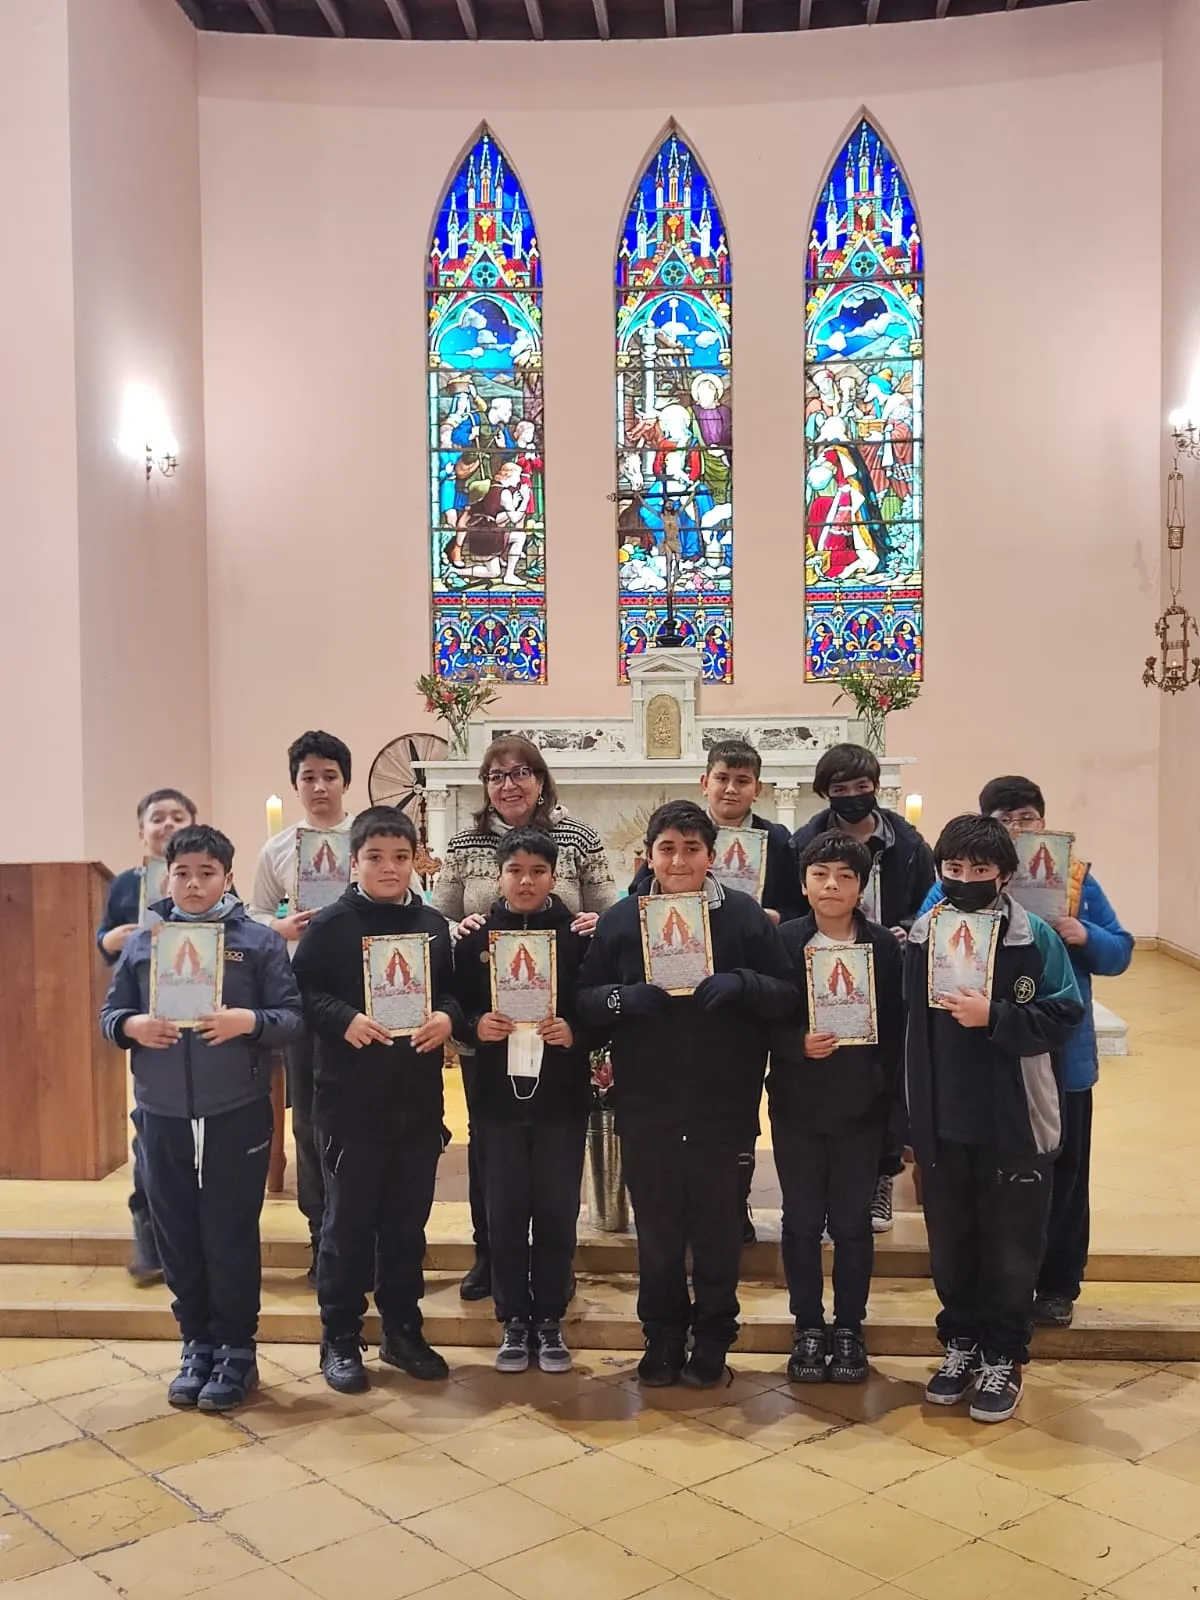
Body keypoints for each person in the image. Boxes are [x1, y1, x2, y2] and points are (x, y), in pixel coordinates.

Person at [576, 800, 796, 1389]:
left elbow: (786, 993)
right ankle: (664, 1335)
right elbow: (585, 1004)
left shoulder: (745, 917)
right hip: (648, 1104)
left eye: (692, 848)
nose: (678, 860)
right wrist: (625, 999)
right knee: (659, 1232)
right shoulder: (622, 920)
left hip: (723, 1103)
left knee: (719, 1229)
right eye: (667, 848)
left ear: (712, 855)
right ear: (647, 855)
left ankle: (715, 1337)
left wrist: (742, 983)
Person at [916, 776, 1133, 1329]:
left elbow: (1120, 953)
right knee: (997, 1187)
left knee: (1062, 1180)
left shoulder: (1076, 880)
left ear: (1042, 821)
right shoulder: (957, 881)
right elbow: (920, 938)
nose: (1017, 827)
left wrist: (1083, 935)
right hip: (979, 1066)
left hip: (1062, 1058)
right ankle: (987, 1293)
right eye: (1005, 818)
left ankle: (1057, 1283)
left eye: (1026, 817)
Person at [99, 826, 304, 1411]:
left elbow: (290, 1018)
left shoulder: (258, 941)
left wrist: (248, 1022)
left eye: (207, 874)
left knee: (229, 1233)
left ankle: (237, 1350)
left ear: (229, 879)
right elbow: (112, 1013)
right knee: (178, 1234)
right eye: (183, 873)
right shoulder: (145, 942)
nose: (193, 884)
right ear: (167, 876)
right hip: (161, 1111)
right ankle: (196, 1344)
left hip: (234, 1110)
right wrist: (133, 1027)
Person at [905, 815, 1084, 1423]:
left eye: (980, 871)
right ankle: (959, 1345)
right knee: (951, 1243)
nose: (966, 880)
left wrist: (998, 1017)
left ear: (1005, 875)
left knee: (1011, 1247)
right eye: (953, 870)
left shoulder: (1036, 939)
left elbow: (1065, 1016)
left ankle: (1003, 1357)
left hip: (1014, 1121)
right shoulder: (922, 934)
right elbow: (907, 1029)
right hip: (944, 1120)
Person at [432, 736, 618, 1303]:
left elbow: (609, 915)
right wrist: (459, 933)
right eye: (496, 775)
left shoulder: (577, 837)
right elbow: (437, 922)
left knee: (555, 1151)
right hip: (489, 1024)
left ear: (541, 780)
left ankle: (554, 1266)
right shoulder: (464, 844)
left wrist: (590, 925)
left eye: (521, 773)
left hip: (555, 1029)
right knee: (491, 1148)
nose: (509, 784)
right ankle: (491, 1255)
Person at [292, 806, 461, 1393]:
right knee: (347, 1228)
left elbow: (457, 992)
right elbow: (303, 992)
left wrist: (446, 1017)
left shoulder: (434, 925)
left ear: (416, 860)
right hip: (350, 1104)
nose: (389, 868)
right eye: (374, 857)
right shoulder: (331, 925)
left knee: (406, 1228)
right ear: (354, 860)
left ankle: (402, 1330)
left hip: (415, 1103)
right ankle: (339, 1336)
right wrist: (343, 1018)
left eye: (400, 856)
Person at [628, 737, 800, 1245]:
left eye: (742, 780)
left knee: (733, 1120)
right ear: (705, 782)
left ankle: (735, 1203)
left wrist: (772, 922)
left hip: (735, 1009)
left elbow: (796, 908)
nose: (730, 788)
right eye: (722, 777)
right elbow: (638, 902)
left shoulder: (779, 842)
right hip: (663, 1028)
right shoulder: (671, 840)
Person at [452, 828, 592, 1375]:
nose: (526, 880)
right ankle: (513, 1318)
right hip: (496, 1098)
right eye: (515, 871)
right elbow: (453, 1001)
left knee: (556, 1208)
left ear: (554, 876)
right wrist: (473, 1024)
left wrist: (575, 1029)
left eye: (538, 871)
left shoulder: (578, 935)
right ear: (498, 876)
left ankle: (551, 1316)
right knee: (505, 1208)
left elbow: (595, 1003)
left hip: (561, 1096)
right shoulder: (476, 937)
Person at [770, 833, 904, 1385]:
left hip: (861, 1107)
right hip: (798, 1105)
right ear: (803, 883)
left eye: (845, 876)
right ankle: (807, 1324)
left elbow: (897, 1029)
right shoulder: (783, 942)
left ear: (861, 887)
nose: (832, 885)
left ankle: (849, 1324)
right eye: (821, 874)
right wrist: (794, 1043)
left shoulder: (884, 947)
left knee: (851, 1224)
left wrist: (895, 1114)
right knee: (801, 1221)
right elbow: (764, 1016)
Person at [793, 742, 935, 1234]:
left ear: (876, 787)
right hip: (823, 973)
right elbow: (793, 908)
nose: (853, 796)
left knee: (885, 1069)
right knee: (830, 1072)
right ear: (825, 793)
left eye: (861, 787)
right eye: (840, 789)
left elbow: (928, 903)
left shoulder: (909, 844)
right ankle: (826, 1178)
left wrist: (908, 927)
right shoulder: (803, 840)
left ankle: (882, 1173)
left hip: (886, 961)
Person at [249, 730, 355, 1287]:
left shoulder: (368, 838)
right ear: (296, 785)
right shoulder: (279, 848)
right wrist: (280, 926)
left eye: (330, 776)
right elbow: (254, 911)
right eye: (309, 777)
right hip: (301, 997)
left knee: (362, 1120)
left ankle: (365, 1236)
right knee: (309, 1120)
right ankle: (322, 1237)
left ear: (345, 781)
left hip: (362, 1001)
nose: (320, 787)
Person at [96, 787, 198, 1287]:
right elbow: (105, 939)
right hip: (146, 1022)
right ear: (142, 832)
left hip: (200, 1026)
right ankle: (149, 1233)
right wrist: (113, 939)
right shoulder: (125, 884)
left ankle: (194, 1236)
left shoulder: (209, 880)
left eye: (178, 816)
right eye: (158, 818)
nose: (168, 824)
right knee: (151, 1134)